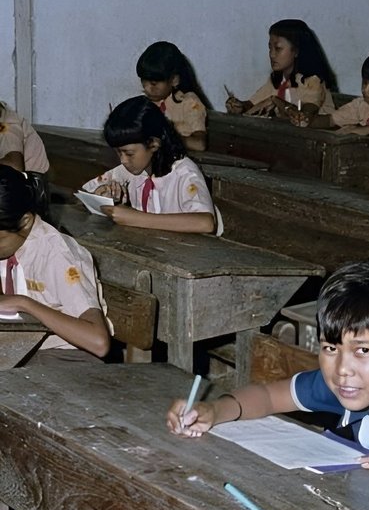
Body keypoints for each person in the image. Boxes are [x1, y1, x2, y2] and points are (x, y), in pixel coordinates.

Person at [167, 260, 369, 469]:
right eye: (331, 347)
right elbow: (269, 396)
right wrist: (213, 411)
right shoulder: (348, 384)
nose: (342, 368)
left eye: (364, 351)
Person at [0, 164, 110, 364]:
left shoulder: (58, 255)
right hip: (20, 348)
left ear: (25, 222)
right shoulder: (10, 243)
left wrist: (23, 303)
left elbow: (98, 342)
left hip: (66, 356)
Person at [82, 96, 217, 233]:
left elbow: (205, 223)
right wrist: (102, 197)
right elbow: (85, 193)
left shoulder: (184, 173)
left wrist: (134, 217)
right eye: (118, 153)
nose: (123, 160)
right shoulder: (128, 171)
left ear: (154, 144)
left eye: (129, 153)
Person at [291, 48, 369, 145]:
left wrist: (368, 130)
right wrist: (306, 120)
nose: (365, 90)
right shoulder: (361, 105)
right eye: (364, 83)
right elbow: (331, 120)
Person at [225, 19, 336, 122]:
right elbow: (252, 104)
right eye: (270, 48)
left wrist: (277, 102)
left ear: (297, 51)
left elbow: (303, 117)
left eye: (278, 48)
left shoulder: (313, 81)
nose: (272, 55)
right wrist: (240, 106)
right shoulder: (278, 79)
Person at [136, 41, 208, 152]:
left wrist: (167, 139)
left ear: (174, 80)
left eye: (154, 83)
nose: (147, 88)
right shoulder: (147, 103)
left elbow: (200, 145)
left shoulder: (190, 103)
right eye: (143, 81)